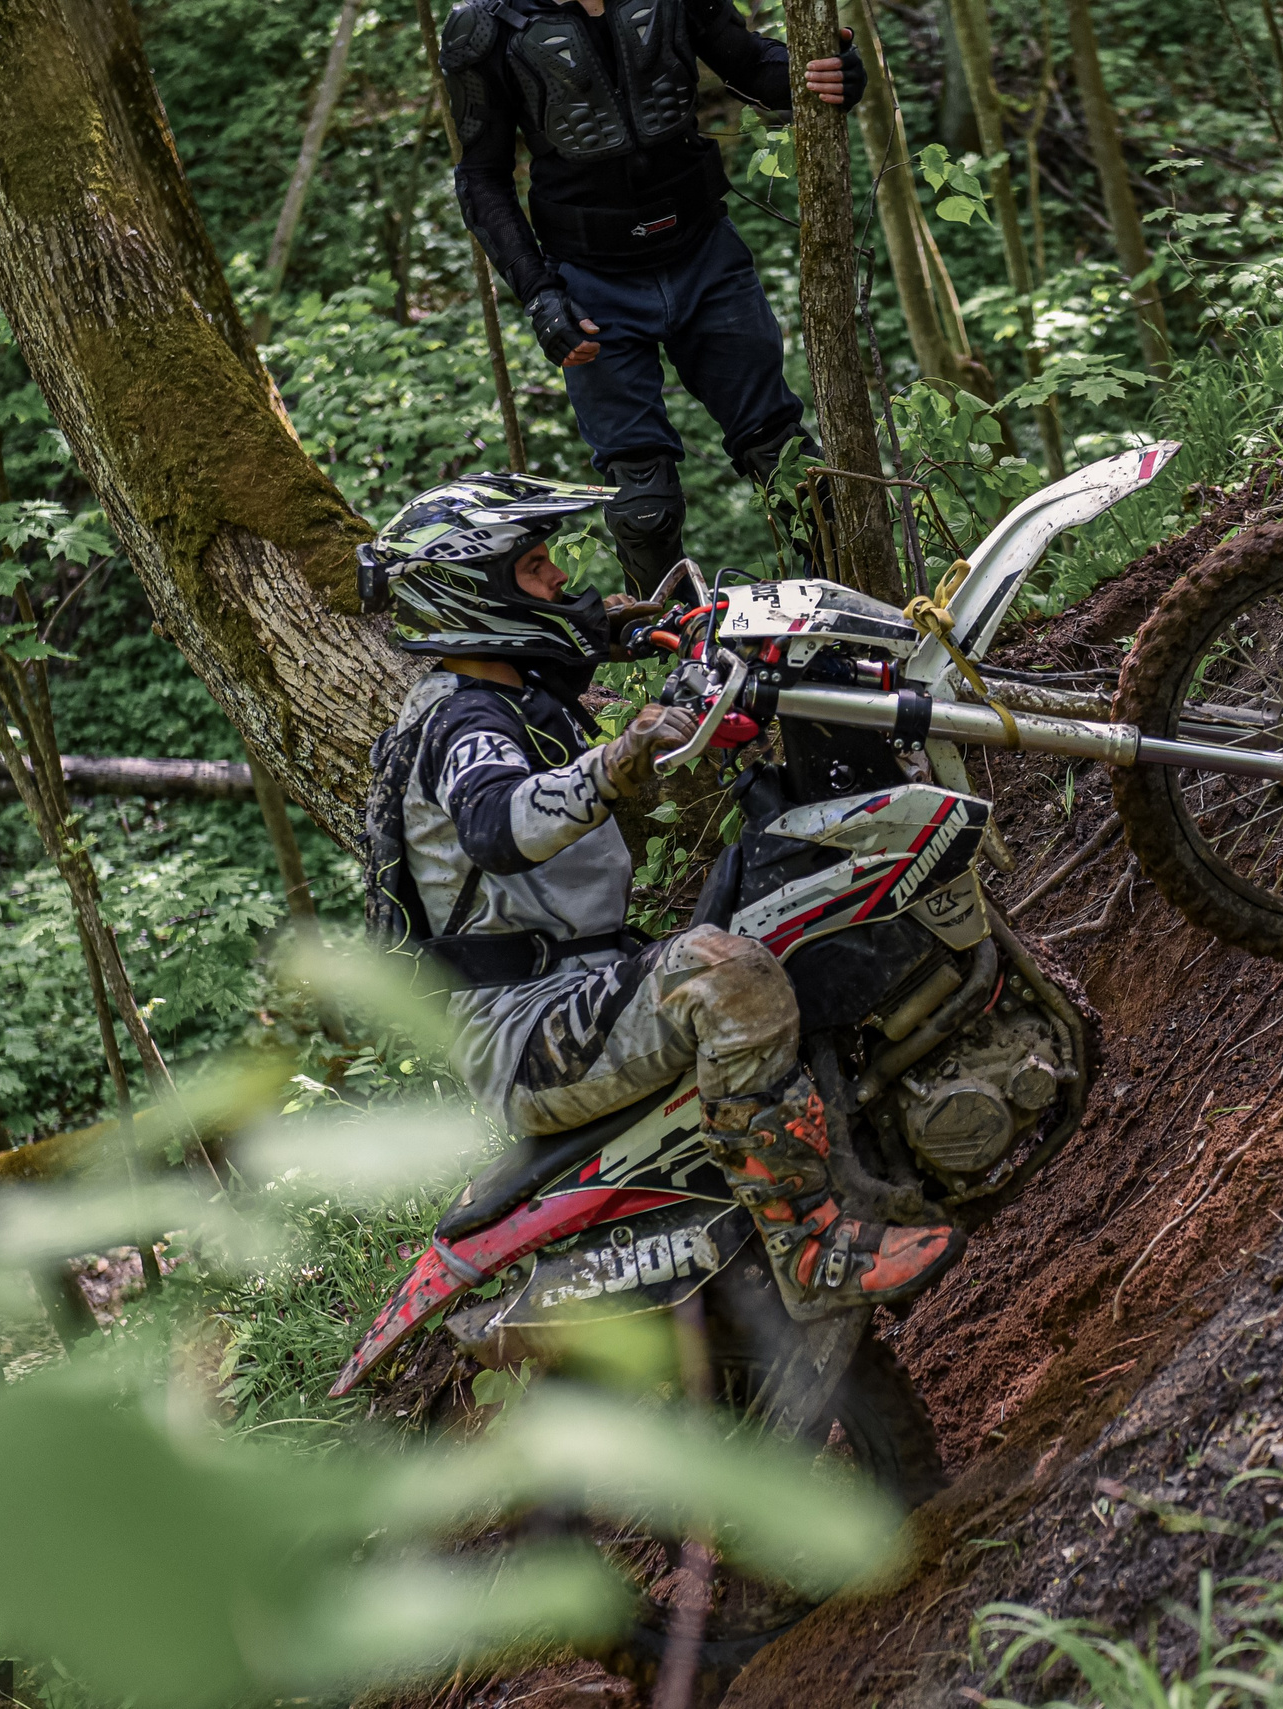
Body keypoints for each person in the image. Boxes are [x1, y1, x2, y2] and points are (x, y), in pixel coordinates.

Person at [359, 472, 964, 1319]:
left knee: (779, 901)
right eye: (537, 568)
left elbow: (593, 672)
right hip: (528, 1029)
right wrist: (619, 757)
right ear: (478, 590)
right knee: (728, 974)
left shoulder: (502, 694)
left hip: (579, 987)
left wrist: (670, 642)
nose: (561, 583)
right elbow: (497, 822)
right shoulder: (461, 722)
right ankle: (811, 1245)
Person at [437, 0, 865, 593]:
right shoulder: (485, 26)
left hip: (703, 251)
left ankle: (853, 622)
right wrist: (538, 295)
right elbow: (480, 175)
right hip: (589, 280)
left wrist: (830, 68)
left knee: (783, 456)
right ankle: (676, 651)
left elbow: (749, 63)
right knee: (644, 502)